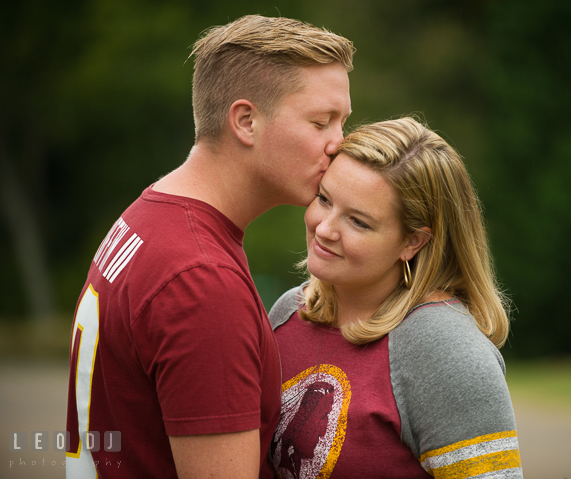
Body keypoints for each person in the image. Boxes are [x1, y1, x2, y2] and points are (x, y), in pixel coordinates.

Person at [65, 15, 353, 479]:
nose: (339, 144)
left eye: (344, 121)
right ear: (245, 121)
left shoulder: (151, 217)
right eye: (322, 122)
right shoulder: (200, 281)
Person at [268, 117, 523, 478]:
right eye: (324, 199)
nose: (324, 229)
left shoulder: (446, 351)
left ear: (412, 242)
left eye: (358, 222)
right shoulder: (287, 314)